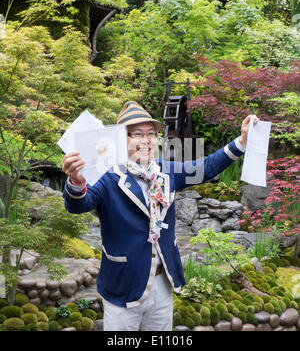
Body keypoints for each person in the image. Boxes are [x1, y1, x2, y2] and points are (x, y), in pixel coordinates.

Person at [62, 101, 259, 331]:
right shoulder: (107, 176)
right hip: (123, 283)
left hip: (162, 283)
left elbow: (206, 167)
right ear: (120, 139)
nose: (146, 141)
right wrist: (76, 181)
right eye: (137, 134)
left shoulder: (165, 171)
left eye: (152, 134)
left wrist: (242, 142)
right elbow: (79, 205)